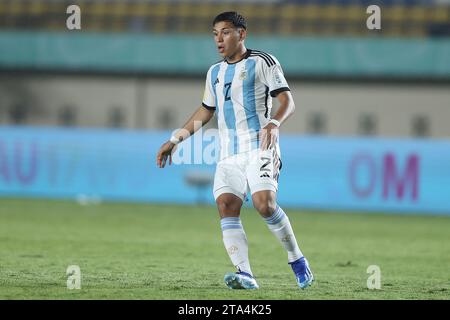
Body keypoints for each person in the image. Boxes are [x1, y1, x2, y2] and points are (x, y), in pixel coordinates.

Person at [156, 11, 313, 290]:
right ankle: (245, 274)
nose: (219, 39)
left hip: (260, 146)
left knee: (265, 205)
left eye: (225, 32)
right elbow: (206, 111)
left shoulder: (263, 61)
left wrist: (275, 123)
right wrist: (176, 139)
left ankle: (297, 259)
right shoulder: (214, 72)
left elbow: (288, 101)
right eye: (215, 34)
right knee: (227, 207)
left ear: (242, 34)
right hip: (228, 153)